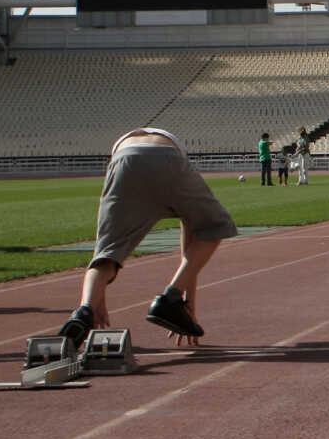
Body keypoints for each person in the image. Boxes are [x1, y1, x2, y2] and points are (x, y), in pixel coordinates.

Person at [60, 127, 242, 349]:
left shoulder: (125, 142)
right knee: (215, 227)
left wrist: (97, 299)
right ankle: (169, 298)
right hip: (167, 157)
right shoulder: (173, 145)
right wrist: (185, 305)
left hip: (123, 160)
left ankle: (82, 311)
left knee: (108, 253)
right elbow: (191, 245)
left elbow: (104, 243)